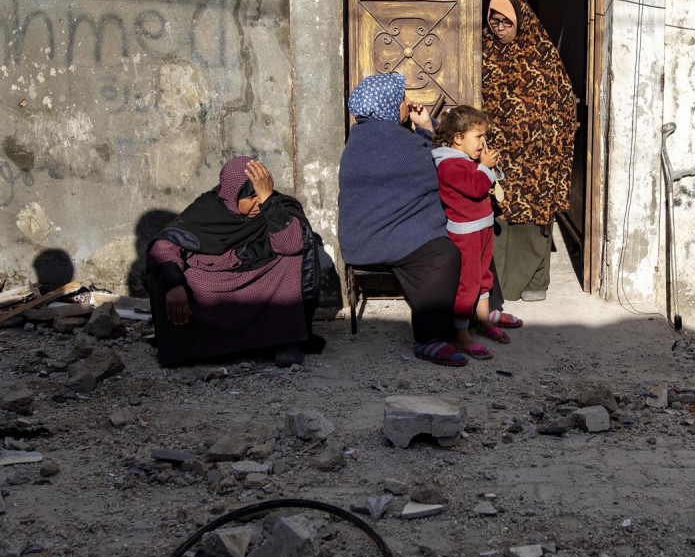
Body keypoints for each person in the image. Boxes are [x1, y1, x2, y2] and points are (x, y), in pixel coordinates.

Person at [338, 73, 472, 366]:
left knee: (429, 246)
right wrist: (427, 127)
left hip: (361, 239)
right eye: (401, 99)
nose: (408, 103)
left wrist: (421, 127)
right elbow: (442, 163)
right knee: (444, 253)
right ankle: (431, 339)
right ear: (385, 106)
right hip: (384, 239)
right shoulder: (395, 140)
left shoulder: (360, 137)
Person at [145, 156, 324, 367]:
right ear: (233, 194)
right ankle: (197, 347)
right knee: (160, 274)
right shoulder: (208, 209)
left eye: (262, 193)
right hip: (213, 283)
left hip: (259, 280)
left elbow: (291, 244)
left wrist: (269, 201)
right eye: (251, 196)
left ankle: (283, 340)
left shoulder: (276, 207)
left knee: (292, 254)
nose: (259, 203)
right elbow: (164, 246)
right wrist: (173, 285)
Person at [482, 0, 579, 303]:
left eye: (506, 21)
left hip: (536, 153)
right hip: (496, 148)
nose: (499, 28)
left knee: (533, 214)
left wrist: (552, 145)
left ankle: (535, 281)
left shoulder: (543, 52)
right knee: (498, 210)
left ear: (520, 19)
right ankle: (498, 284)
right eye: (494, 21)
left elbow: (564, 103)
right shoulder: (484, 51)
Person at [431, 105, 512, 359]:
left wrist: (487, 166)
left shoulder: (467, 161)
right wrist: (485, 167)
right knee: (468, 283)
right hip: (465, 234)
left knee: (483, 277)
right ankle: (461, 333)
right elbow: (476, 188)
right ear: (458, 138)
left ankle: (484, 320)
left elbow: (482, 180)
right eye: (478, 137)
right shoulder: (449, 166)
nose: (482, 143)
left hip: (482, 227)